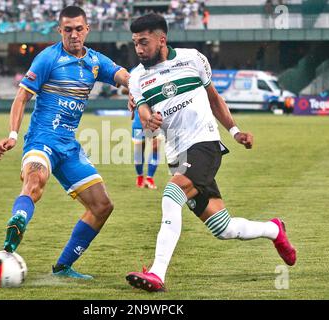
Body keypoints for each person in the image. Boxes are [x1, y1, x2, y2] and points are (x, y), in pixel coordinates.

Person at [125, 13, 296, 292]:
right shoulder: (137, 77)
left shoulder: (193, 58)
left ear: (162, 39)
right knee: (223, 227)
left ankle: (157, 273)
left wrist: (235, 131)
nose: (139, 49)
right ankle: (274, 230)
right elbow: (143, 110)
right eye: (135, 44)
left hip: (204, 145)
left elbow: (214, 98)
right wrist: (147, 119)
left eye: (144, 42)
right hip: (178, 156)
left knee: (171, 195)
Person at [0, 6, 130, 280]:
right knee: (35, 180)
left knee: (102, 206)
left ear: (87, 29)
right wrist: (12, 135)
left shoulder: (94, 61)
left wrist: (134, 90)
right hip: (41, 141)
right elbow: (22, 97)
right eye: (67, 29)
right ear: (60, 31)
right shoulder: (48, 58)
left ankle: (63, 267)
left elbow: (122, 75)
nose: (73, 34)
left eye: (79, 28)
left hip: (69, 148)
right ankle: (18, 223)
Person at [131, 107, 160, 189]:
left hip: (155, 120)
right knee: (139, 151)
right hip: (139, 122)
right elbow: (124, 93)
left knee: (155, 147)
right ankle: (140, 176)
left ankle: (149, 178)